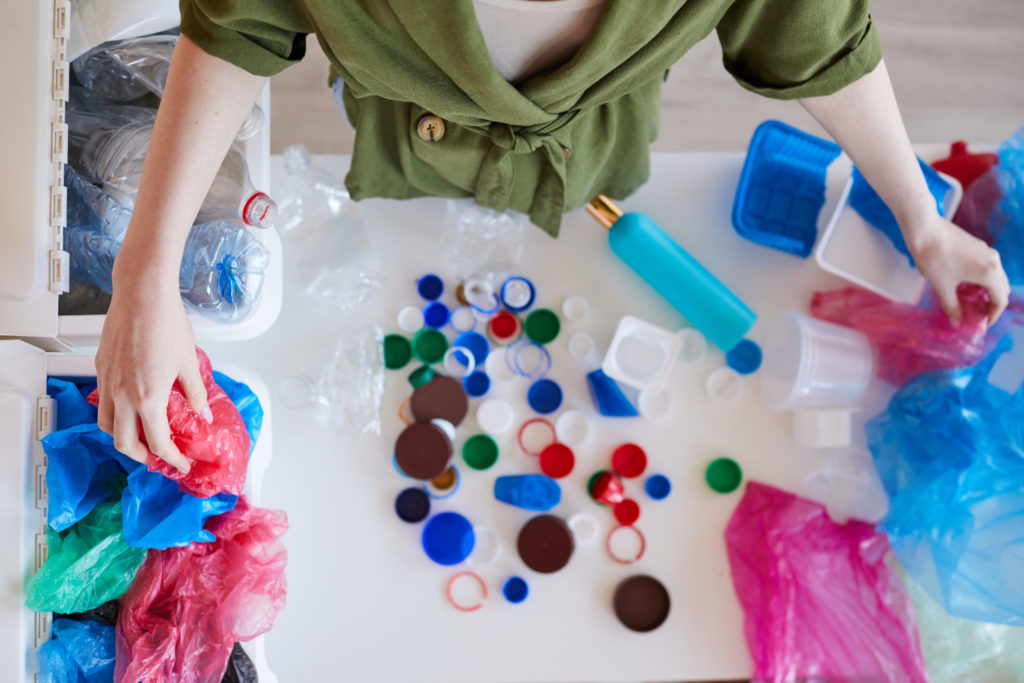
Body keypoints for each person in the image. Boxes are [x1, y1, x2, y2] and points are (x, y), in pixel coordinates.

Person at [95, 0, 1010, 470]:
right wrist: (145, 270)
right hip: (399, 128)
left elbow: (815, 38)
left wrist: (921, 220)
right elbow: (236, 28)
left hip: (592, 146)